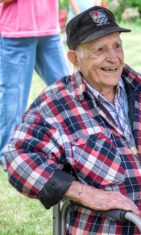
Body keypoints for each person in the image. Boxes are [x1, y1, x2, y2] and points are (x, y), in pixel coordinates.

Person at [5, 6, 141, 234]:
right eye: (100, 49)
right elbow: (17, 157)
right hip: (115, 225)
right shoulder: (55, 106)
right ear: (75, 59)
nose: (113, 57)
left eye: (117, 46)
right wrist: (85, 193)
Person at [0, 0, 70, 169]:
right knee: (13, 98)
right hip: (16, 32)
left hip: (49, 29)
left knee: (69, 90)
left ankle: (76, 144)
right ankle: (7, 154)